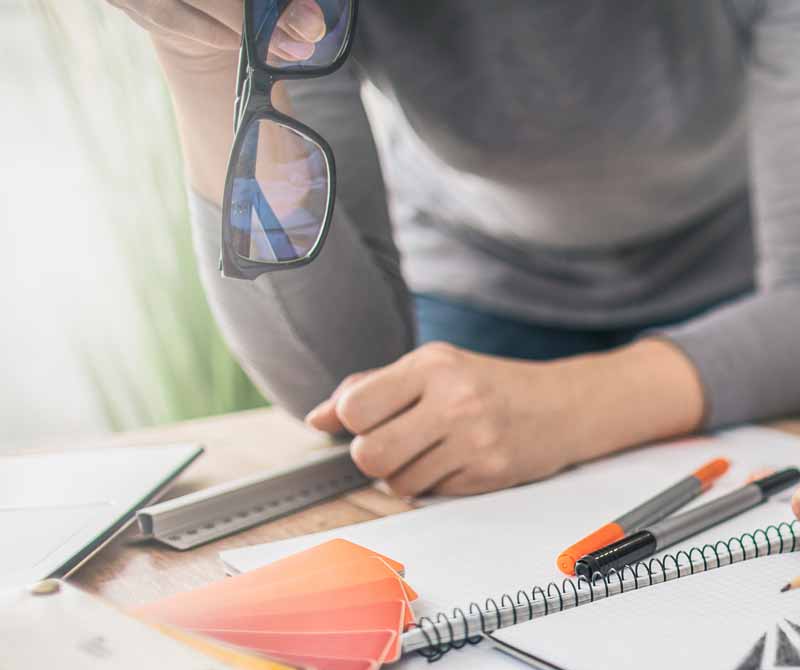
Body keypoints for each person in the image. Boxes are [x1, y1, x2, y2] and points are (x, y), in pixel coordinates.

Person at [108, 1, 800, 497]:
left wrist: (579, 405)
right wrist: (207, 61)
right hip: (477, 291)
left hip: (744, 292)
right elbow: (337, 389)